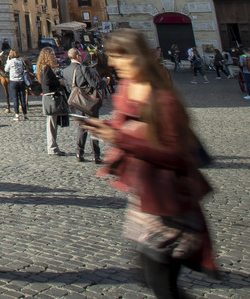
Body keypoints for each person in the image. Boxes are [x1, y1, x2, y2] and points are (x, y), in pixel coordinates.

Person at [84, 29, 217, 297]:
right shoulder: (126, 88)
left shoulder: (162, 98)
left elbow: (177, 155)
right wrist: (106, 127)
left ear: (135, 57)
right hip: (145, 197)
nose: (111, 63)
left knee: (160, 281)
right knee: (147, 274)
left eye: (116, 57)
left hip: (170, 198)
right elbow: (127, 126)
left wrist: (119, 137)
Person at [62, 48, 102, 164]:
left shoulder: (66, 71)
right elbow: (95, 84)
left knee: (82, 127)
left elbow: (68, 88)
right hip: (88, 101)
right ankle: (96, 155)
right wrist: (105, 81)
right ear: (78, 56)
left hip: (77, 102)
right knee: (94, 126)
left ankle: (79, 152)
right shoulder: (83, 68)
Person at [37, 47, 67, 155]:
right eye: (52, 55)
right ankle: (52, 147)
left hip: (50, 97)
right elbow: (47, 83)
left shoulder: (45, 68)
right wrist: (59, 82)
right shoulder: (46, 68)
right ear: (47, 56)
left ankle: (54, 146)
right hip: (51, 98)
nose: (54, 56)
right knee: (51, 124)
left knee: (53, 124)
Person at [5, 49, 30, 120]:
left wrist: (7, 63)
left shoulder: (10, 62)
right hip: (21, 80)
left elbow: (6, 70)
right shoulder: (21, 61)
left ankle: (17, 115)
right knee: (22, 98)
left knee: (15, 98)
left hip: (13, 81)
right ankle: (25, 114)